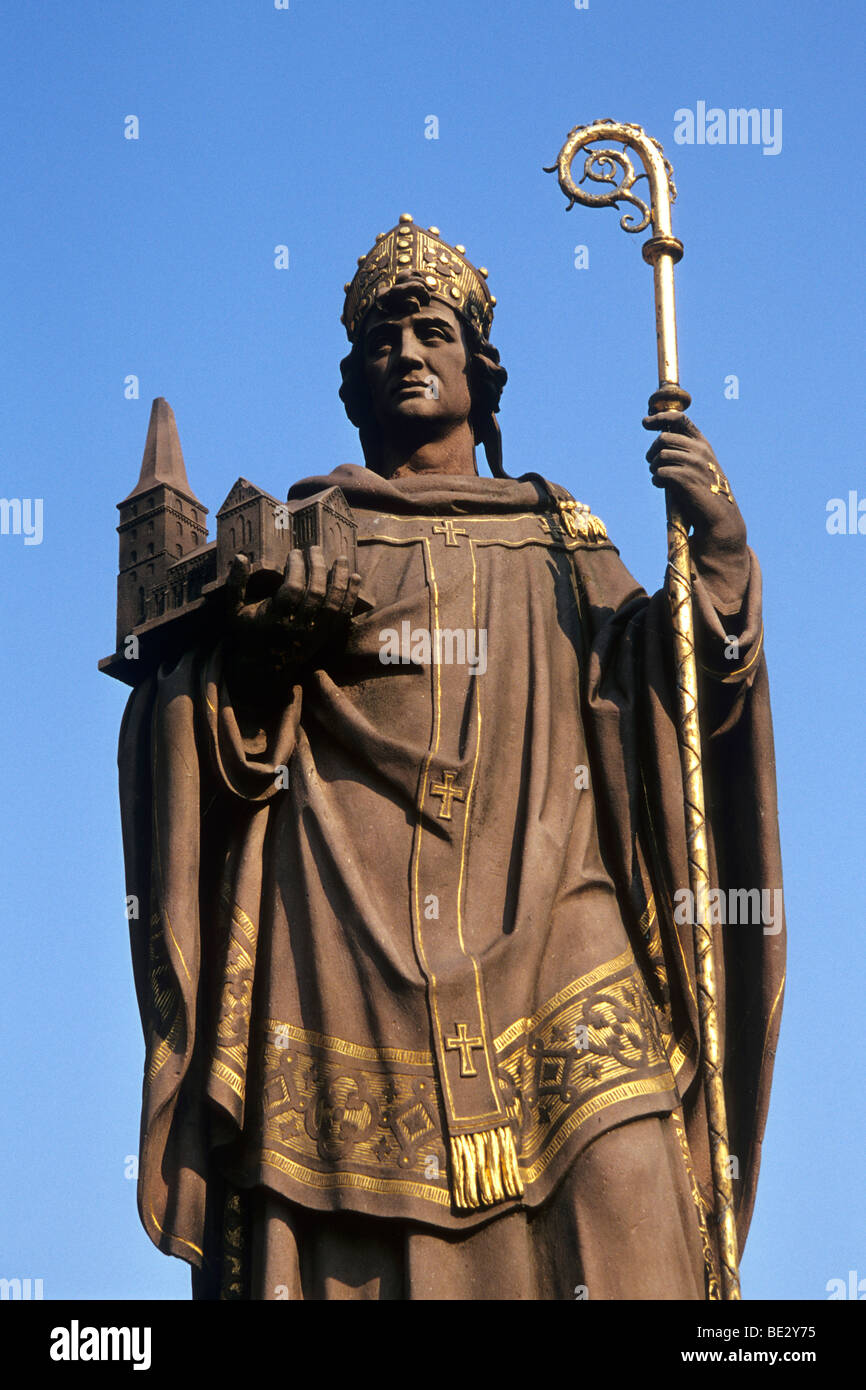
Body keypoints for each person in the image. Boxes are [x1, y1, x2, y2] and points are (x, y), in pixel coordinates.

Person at [118, 215, 785, 1299]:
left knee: (634, 1200)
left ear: (480, 369)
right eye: (382, 339)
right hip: (344, 959)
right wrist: (239, 671)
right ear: (352, 386)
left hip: (558, 939)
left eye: (431, 330)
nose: (407, 353)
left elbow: (668, 701)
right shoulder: (308, 529)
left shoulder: (558, 536)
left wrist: (714, 554)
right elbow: (201, 738)